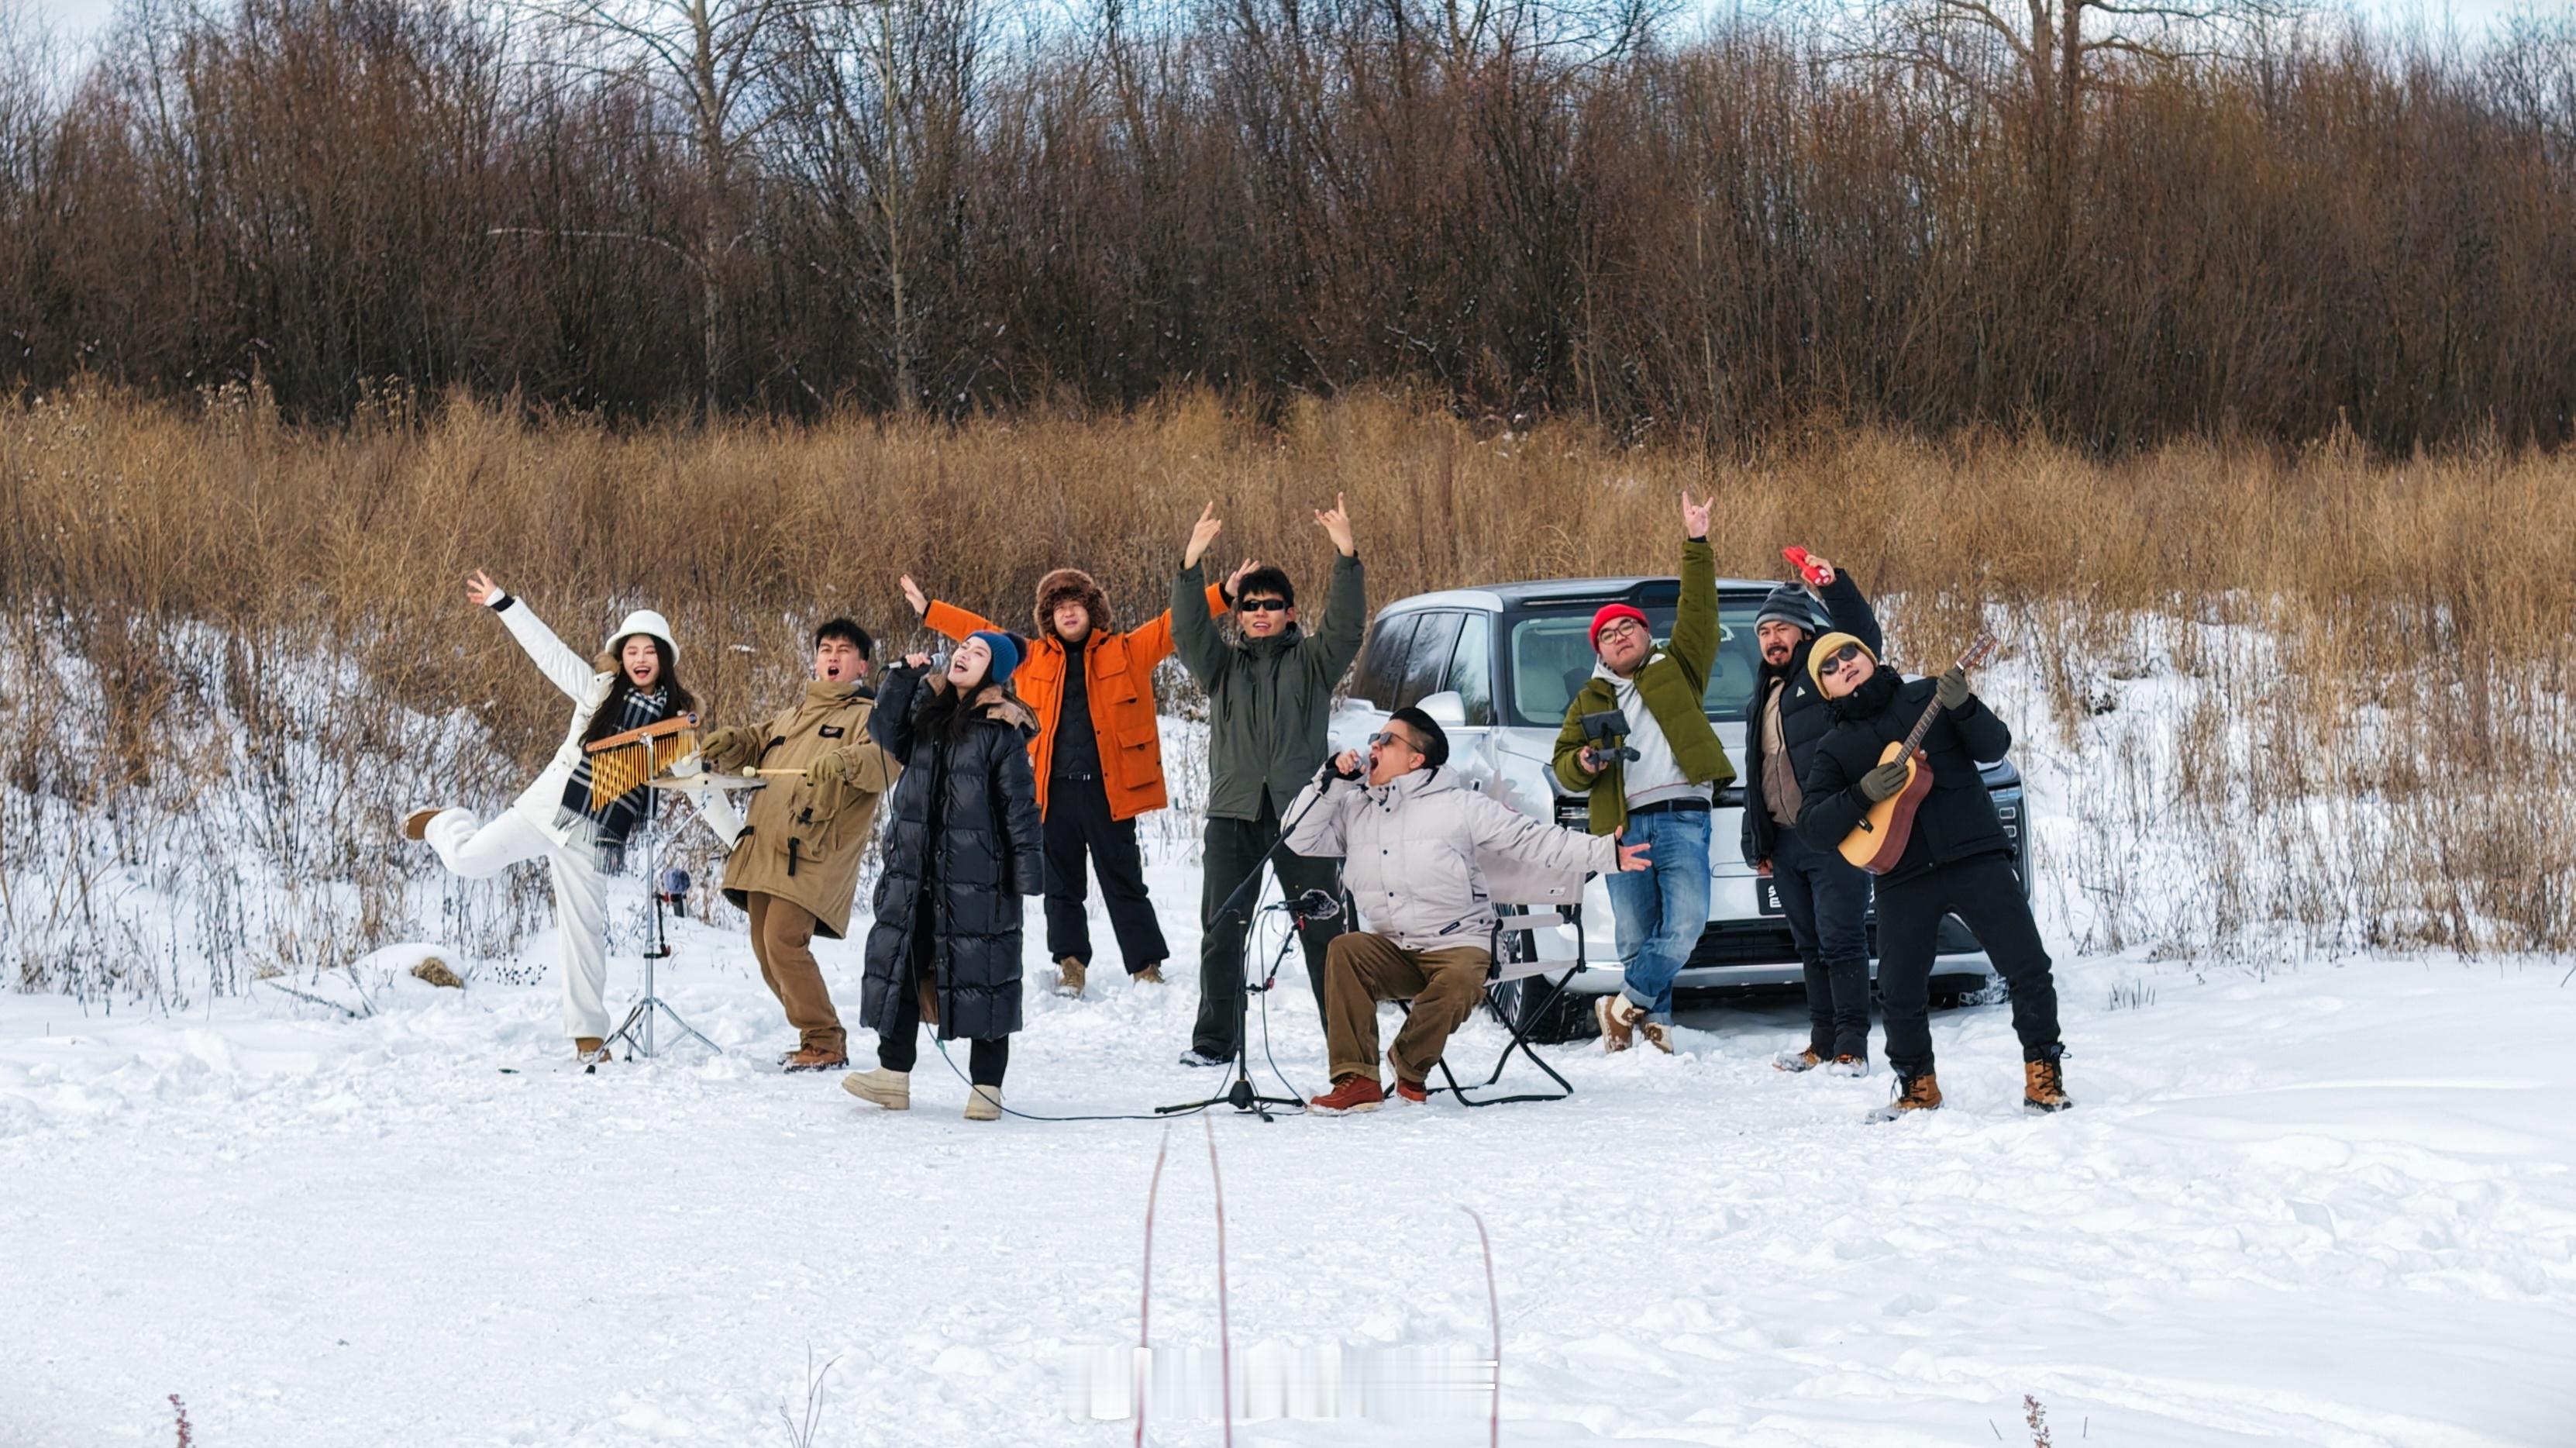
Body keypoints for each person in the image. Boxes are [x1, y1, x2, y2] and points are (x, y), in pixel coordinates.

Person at [404, 571, 735, 1067]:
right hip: (547, 811)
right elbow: (550, 654)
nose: (639, 660)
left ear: (664, 658)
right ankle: (447, 820)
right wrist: (503, 604)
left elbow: (701, 792)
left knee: (583, 933)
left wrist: (741, 837)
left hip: (594, 836)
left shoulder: (677, 727)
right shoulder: (599, 690)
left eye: (649, 651)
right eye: (631, 651)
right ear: (620, 658)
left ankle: (588, 1037)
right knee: (467, 861)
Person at [903, 564, 1243, 998]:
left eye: (1075, 605)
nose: (1068, 613)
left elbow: (1170, 623)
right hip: (1053, 791)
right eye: (1058, 608)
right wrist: (930, 609)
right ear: (1049, 618)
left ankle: (1145, 966)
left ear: (1091, 610)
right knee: (1061, 887)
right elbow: (981, 631)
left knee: (1124, 882)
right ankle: (1070, 965)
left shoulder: (1128, 650)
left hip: (1109, 792)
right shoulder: (1031, 657)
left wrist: (1222, 596)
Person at [1286, 708, 1651, 1112]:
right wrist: (1329, 783)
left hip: (1459, 944)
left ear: (1415, 759)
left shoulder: (1459, 806)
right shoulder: (1357, 808)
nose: (1374, 745)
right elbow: (1299, 838)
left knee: (1459, 977)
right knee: (1345, 950)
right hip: (1397, 948)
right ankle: (1357, 1080)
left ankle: (1408, 1061)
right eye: (1374, 737)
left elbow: (1532, 840)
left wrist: (1604, 852)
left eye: (1387, 740)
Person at [1796, 633, 2071, 1116]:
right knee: (1899, 988)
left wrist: (1964, 707)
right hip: (1902, 874)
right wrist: (1860, 793)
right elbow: (1814, 826)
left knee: (2027, 966)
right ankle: (1917, 1086)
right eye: (1830, 667)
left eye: (1849, 654)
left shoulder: (1929, 696)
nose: (1844, 665)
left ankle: (2044, 1073)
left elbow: (1994, 746)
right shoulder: (1834, 748)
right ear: (1826, 690)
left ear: (1869, 656)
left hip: (1975, 855)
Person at [1168, 496, 1366, 1070]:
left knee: (1325, 933)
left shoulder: (1313, 662)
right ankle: (1214, 1043)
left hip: (1303, 816)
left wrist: (1346, 556)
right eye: (1251, 605)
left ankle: (1349, 1049)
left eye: (1272, 605)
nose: (1260, 612)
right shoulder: (1221, 669)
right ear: (1239, 613)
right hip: (1233, 817)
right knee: (1222, 931)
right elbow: (1186, 631)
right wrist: (1191, 566)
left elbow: (1348, 627)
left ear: (1289, 611)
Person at [1550, 493, 1734, 1055]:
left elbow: (1699, 613)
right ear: (1599, 651)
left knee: (1686, 924)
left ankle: (1622, 1005)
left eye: (1628, 627)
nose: (1620, 636)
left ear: (1644, 635)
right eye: (1608, 634)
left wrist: (1696, 544)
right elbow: (1562, 765)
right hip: (1622, 828)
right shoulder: (1588, 699)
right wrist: (1583, 763)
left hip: (1681, 814)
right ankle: (1654, 1028)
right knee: (1635, 935)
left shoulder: (1676, 668)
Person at [840, 633, 1044, 1121]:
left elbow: (1020, 808)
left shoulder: (1002, 729)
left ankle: (987, 1088)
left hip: (979, 876)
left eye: (977, 653)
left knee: (985, 975)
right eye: (962, 648)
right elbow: (886, 733)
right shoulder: (927, 713)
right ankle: (892, 1075)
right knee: (903, 963)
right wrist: (903, 679)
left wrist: (1026, 874)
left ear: (995, 672)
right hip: (916, 871)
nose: (962, 655)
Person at [697, 619, 900, 1072]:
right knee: (766, 951)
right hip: (764, 846)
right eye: (826, 649)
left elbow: (886, 763)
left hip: (811, 851)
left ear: (862, 665)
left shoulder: (870, 717)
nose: (833, 657)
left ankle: (826, 1039)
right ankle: (814, 1036)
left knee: (784, 942)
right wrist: (731, 742)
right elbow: (754, 742)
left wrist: (844, 760)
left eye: (844, 651)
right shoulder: (792, 715)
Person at [1738, 558, 1885, 1075]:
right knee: (1809, 944)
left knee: (1841, 939)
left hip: (1833, 835)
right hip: (1784, 841)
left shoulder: (1823, 678)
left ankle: (1852, 1046)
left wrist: (1833, 585)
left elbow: (1860, 639)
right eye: (1764, 632)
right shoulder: (1764, 690)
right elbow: (1759, 769)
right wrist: (1757, 841)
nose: (1772, 639)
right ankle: (1822, 1042)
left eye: (1781, 628)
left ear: (1804, 632)